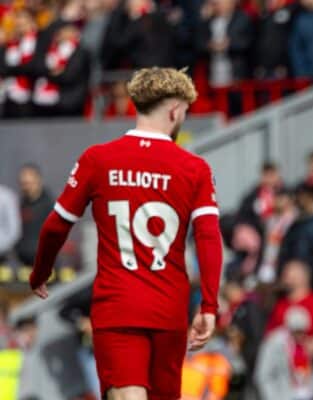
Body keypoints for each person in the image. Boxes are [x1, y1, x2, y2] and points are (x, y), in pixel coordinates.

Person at [28, 67, 224, 400]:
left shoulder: (98, 159)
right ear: (175, 110)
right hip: (169, 309)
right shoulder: (195, 168)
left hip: (117, 306)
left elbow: (56, 225)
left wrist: (41, 271)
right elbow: (208, 238)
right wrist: (208, 305)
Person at [16, 163, 54, 266]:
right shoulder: (20, 204)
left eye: (29, 183)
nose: (26, 187)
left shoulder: (50, 206)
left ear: (38, 181)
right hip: (23, 261)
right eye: (23, 184)